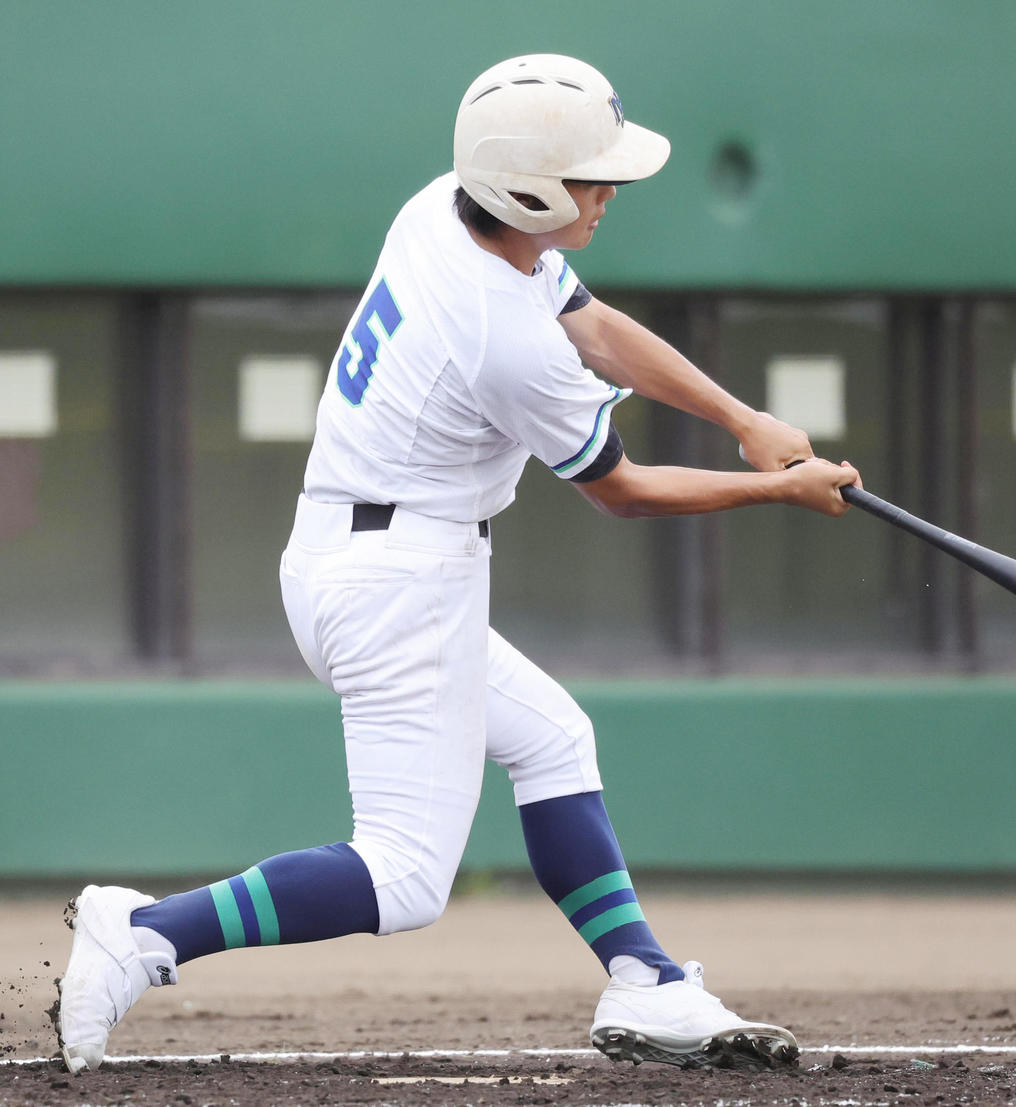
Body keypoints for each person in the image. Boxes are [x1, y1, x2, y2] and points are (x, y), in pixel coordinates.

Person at [56, 53, 860, 1075]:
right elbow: (621, 488)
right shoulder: (498, 334)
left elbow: (598, 328)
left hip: (362, 556)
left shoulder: (448, 207)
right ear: (523, 187)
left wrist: (744, 422)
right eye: (587, 178)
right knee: (402, 880)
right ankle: (149, 932)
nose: (606, 193)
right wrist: (777, 490)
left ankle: (646, 982)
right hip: (400, 581)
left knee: (555, 741)